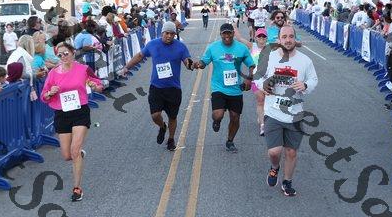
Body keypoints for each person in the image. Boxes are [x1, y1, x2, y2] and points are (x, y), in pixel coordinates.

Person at [255, 26, 318, 197]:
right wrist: (264, 85)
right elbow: (257, 76)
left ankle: (287, 181)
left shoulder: (305, 61)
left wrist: (305, 85)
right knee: (274, 151)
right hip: (273, 112)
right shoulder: (269, 57)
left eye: (291, 36)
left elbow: (313, 79)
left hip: (294, 114)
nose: (288, 40)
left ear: (295, 39)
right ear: (279, 40)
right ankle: (275, 167)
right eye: (284, 37)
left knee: (291, 152)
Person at [41, 42, 103, 201]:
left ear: (73, 53)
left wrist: (94, 85)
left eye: (66, 53)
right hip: (62, 114)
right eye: (59, 55)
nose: (63, 57)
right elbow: (44, 96)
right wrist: (50, 92)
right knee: (67, 155)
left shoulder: (83, 69)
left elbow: (99, 85)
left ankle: (77, 188)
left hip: (80, 112)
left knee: (74, 150)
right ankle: (78, 155)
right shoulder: (53, 73)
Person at [118, 22, 194, 151]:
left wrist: (191, 65)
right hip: (156, 88)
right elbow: (140, 56)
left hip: (174, 89)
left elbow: (187, 61)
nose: (169, 36)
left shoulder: (181, 47)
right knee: (155, 115)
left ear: (175, 34)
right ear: (162, 33)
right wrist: (126, 67)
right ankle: (162, 126)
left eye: (172, 34)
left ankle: (171, 139)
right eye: (167, 33)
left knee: (173, 117)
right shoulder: (153, 44)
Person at [193, 23, 255, 153]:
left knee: (235, 117)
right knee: (218, 115)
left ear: (233, 33)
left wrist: (249, 78)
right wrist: (197, 64)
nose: (227, 36)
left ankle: (230, 141)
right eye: (224, 33)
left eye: (229, 33)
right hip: (219, 88)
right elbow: (204, 62)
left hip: (235, 89)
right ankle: (217, 121)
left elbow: (251, 64)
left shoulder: (241, 48)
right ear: (220, 34)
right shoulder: (213, 48)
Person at [234, 26, 268, 136]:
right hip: (255, 80)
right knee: (260, 100)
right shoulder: (252, 46)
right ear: (256, 38)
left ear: (266, 38)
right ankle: (263, 125)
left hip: (268, 80)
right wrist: (234, 26)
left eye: (264, 37)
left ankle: (262, 116)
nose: (261, 38)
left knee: (268, 102)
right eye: (259, 36)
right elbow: (239, 38)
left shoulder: (271, 48)